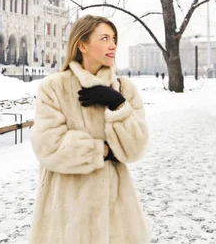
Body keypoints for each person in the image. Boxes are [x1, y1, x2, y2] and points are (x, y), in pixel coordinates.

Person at [29, 14, 150, 244]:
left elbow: (136, 148)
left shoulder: (124, 89)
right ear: (82, 45)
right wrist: (104, 151)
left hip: (116, 214)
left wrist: (118, 104)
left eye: (114, 38)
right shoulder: (54, 87)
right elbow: (49, 147)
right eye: (104, 38)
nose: (113, 45)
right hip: (66, 213)